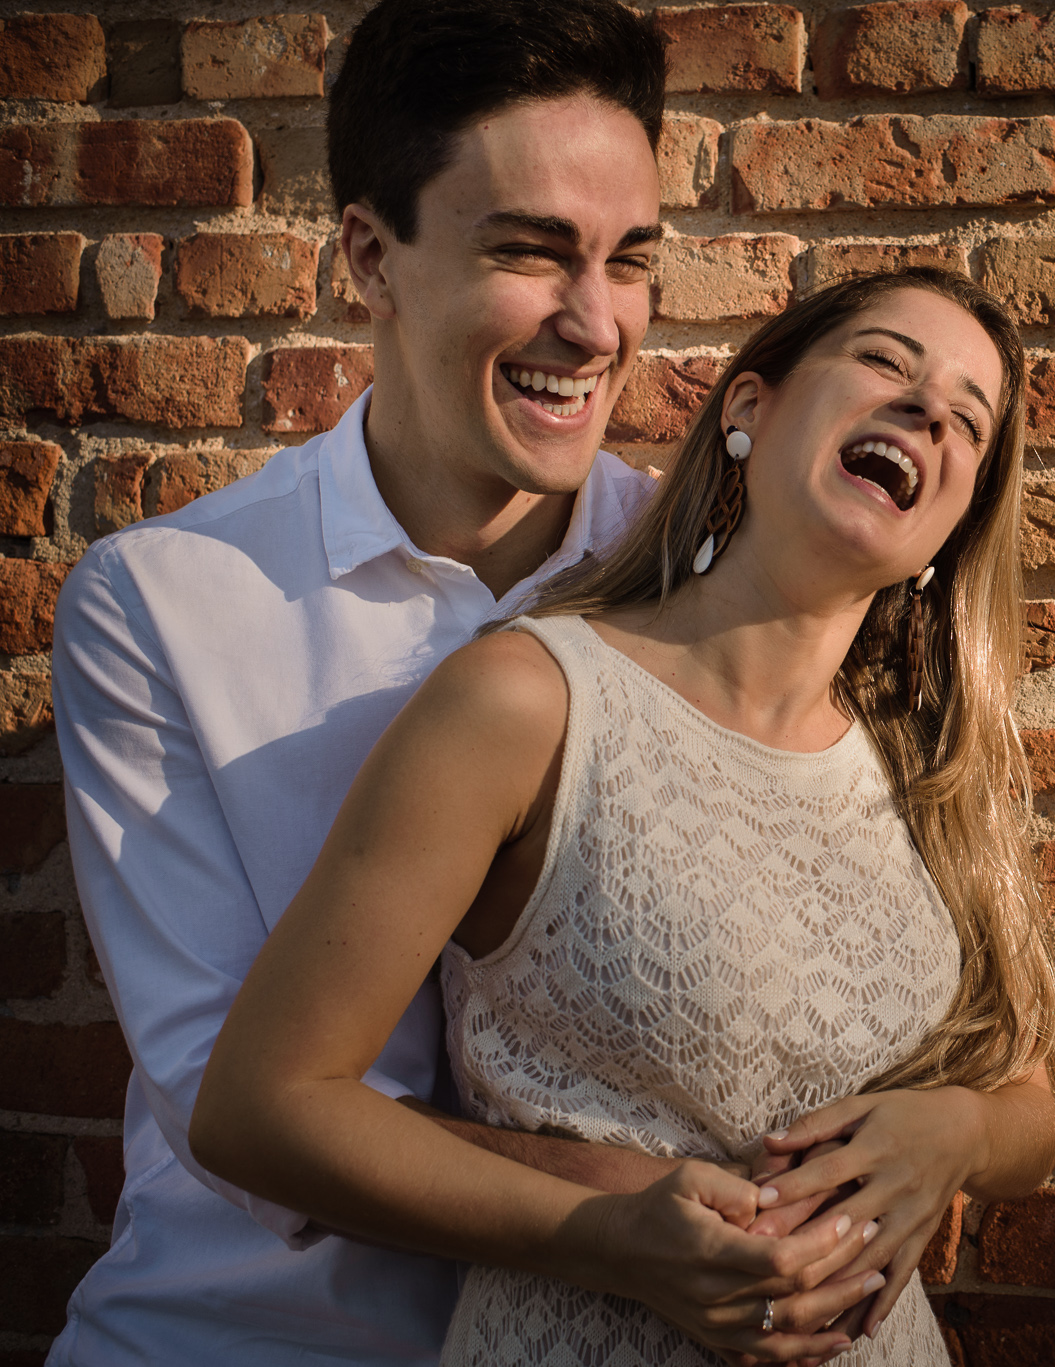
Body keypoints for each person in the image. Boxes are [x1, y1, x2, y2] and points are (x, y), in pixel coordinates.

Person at [189, 267, 1055, 1365]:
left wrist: (957, 1133)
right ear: (750, 408)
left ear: (954, 516)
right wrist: (609, 1237)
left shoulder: (932, 768)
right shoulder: (529, 700)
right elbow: (261, 1107)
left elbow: (1028, 1097)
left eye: (968, 421)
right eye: (886, 361)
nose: (927, 409)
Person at [47, 0, 698, 1359]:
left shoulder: (709, 579)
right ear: (368, 256)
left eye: (629, 260)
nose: (594, 324)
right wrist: (655, 1208)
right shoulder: (162, 605)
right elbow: (237, 1115)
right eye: (529, 252)